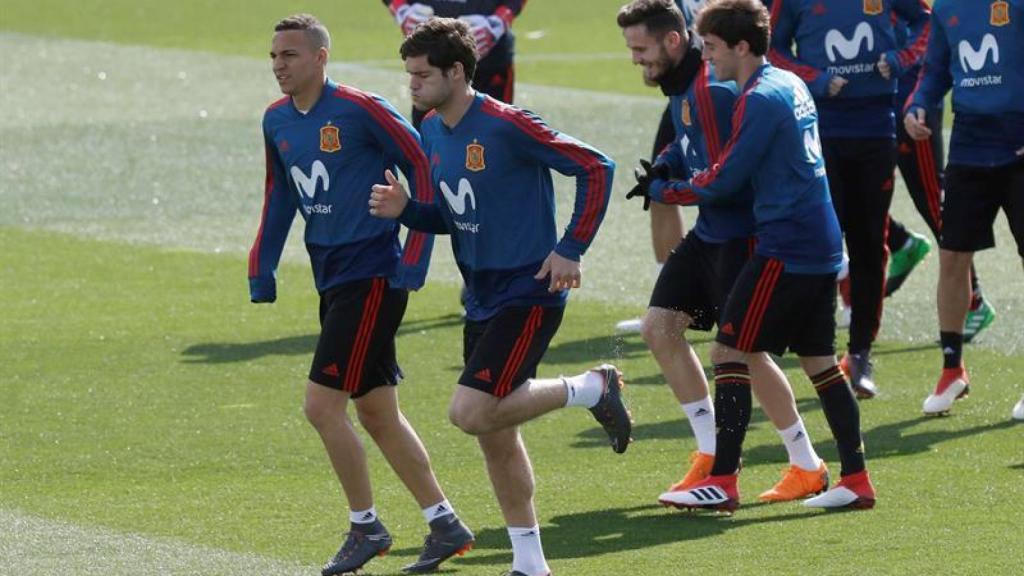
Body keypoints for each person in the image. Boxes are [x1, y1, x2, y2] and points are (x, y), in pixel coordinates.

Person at [370, 18, 629, 576]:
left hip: (528, 290)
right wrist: (406, 211)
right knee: (495, 433)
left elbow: (595, 166)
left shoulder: (508, 124)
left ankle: (589, 387)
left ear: (457, 72)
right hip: (480, 295)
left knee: (470, 412)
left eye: (422, 74)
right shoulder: (433, 128)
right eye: (408, 74)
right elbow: (455, 213)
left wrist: (571, 247)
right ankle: (530, 564)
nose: (411, 85)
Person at [247, 14, 474, 575]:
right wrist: (262, 265)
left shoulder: (361, 108)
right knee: (376, 413)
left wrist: (416, 256)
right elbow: (280, 196)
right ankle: (444, 523)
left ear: (321, 58)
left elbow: (423, 166)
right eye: (274, 56)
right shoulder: (277, 121)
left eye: (291, 55)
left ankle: (366, 526)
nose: (280, 65)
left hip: (373, 276)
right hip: (332, 277)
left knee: (321, 407)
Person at [639, 0, 876, 510]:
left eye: (714, 49)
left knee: (729, 351)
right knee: (819, 362)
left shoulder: (758, 98)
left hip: (784, 244)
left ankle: (722, 480)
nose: (709, 58)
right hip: (815, 241)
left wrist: (669, 191)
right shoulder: (787, 83)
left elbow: (725, 178)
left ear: (741, 47)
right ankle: (855, 480)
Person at [767, 0, 932, 399]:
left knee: (869, 242)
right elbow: (771, 49)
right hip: (818, 132)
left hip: (876, 128)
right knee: (820, 239)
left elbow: (927, 24)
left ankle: (860, 353)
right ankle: (812, 346)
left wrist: (901, 58)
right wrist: (816, 79)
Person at [905, 0, 1024, 416]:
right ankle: (952, 369)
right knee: (952, 256)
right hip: (971, 145)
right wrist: (918, 104)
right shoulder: (948, 7)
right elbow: (936, 69)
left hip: (1018, 140)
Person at [615, 0, 700, 334]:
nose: (634, 59)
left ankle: (839, 275)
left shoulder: (712, 86)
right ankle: (673, 304)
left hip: (703, 88)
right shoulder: (681, 79)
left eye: (639, 49)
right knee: (658, 190)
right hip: (681, 91)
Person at [383, 0, 525, 128]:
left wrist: (500, 19)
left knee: (495, 140)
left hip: (488, 59)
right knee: (428, 142)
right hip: (428, 58)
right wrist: (400, 8)